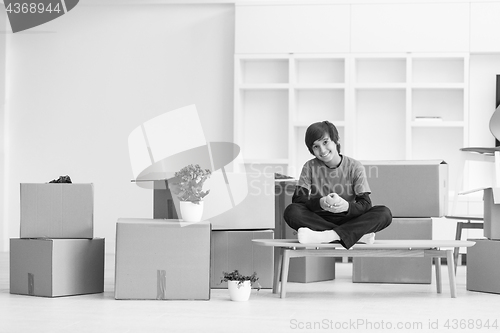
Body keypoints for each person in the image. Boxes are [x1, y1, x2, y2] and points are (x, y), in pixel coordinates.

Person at [284, 121, 392, 249]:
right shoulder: (309, 166)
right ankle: (354, 235)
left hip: (349, 217)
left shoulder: (355, 166)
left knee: (384, 213)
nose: (322, 150)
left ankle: (326, 235)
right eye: (315, 146)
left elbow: (365, 205)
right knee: (291, 211)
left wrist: (346, 206)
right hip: (320, 217)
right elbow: (298, 201)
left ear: (336, 140)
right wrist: (321, 203)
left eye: (325, 142)